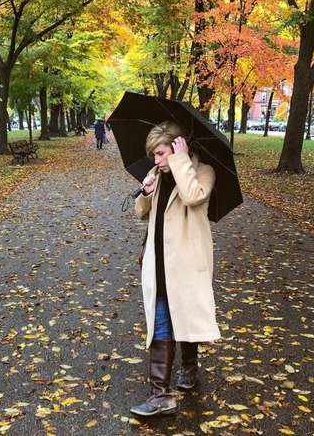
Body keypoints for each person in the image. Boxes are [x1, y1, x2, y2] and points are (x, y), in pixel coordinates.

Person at [130, 120, 220, 417]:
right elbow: (141, 214)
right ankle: (161, 396)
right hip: (158, 261)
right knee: (161, 321)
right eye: (153, 155)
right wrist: (145, 190)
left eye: (160, 154)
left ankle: (189, 368)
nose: (156, 161)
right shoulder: (157, 173)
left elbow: (194, 196)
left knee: (185, 317)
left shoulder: (203, 172)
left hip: (185, 261)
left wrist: (180, 162)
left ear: (177, 147)